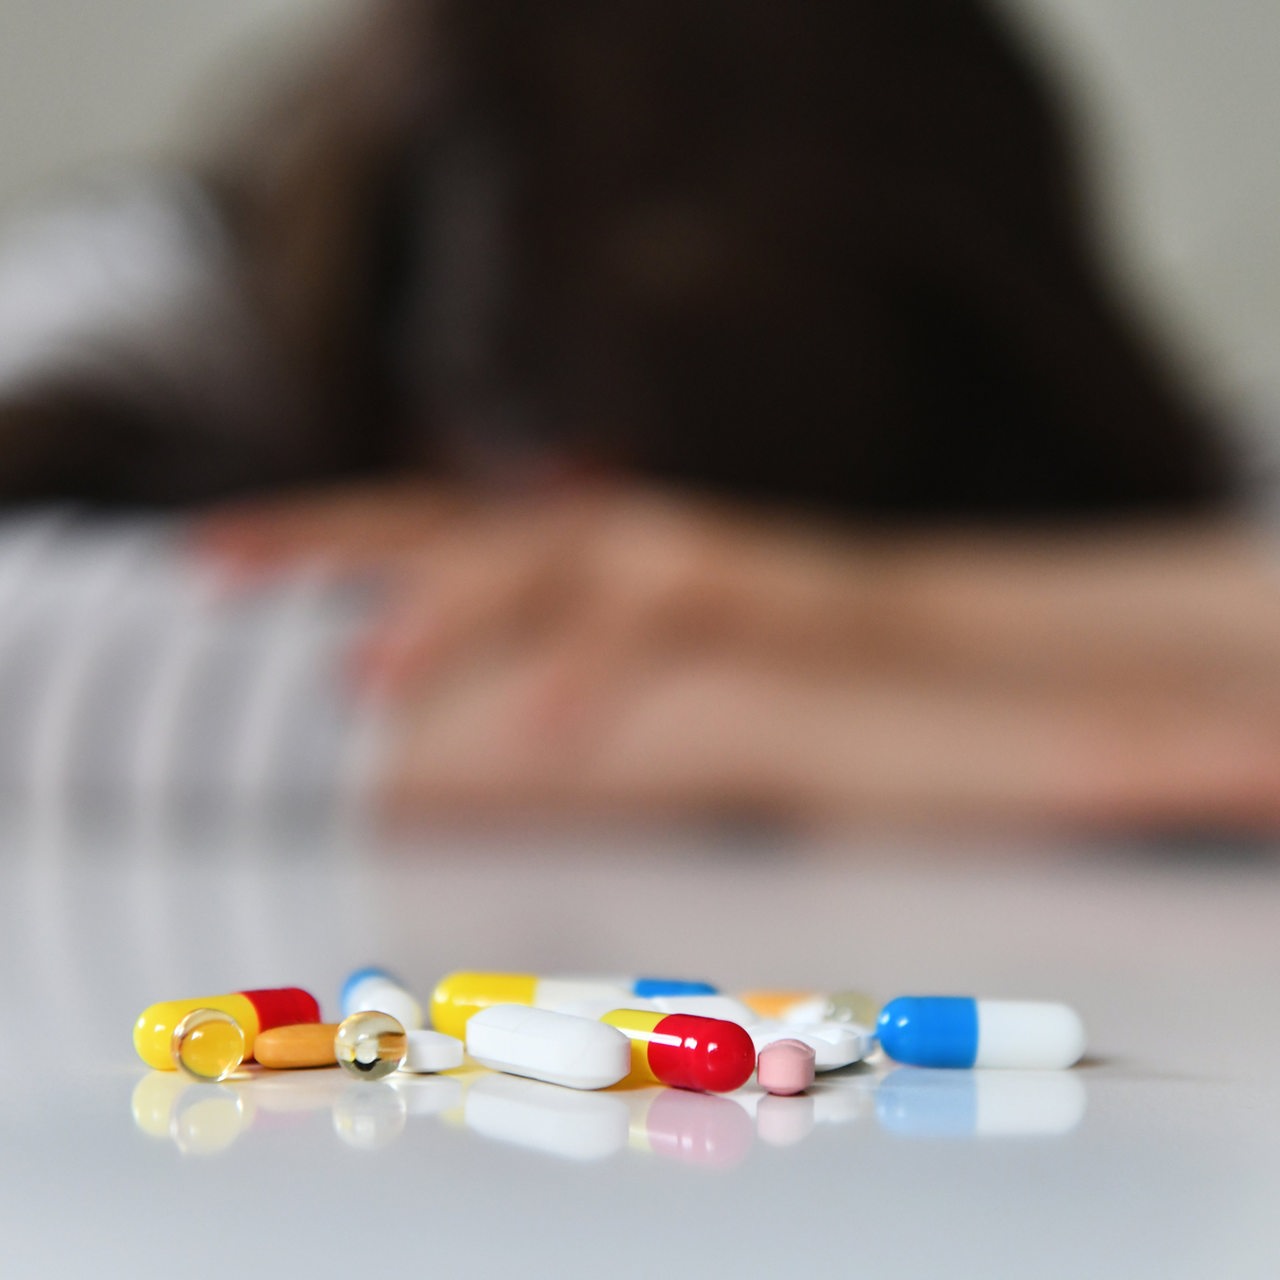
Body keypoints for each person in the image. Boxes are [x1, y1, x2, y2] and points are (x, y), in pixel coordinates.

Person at [3, 0, 1278, 830]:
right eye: (534, 480)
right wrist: (785, 731)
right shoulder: (169, 282)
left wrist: (835, 598)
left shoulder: (1011, 371)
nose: (594, 567)